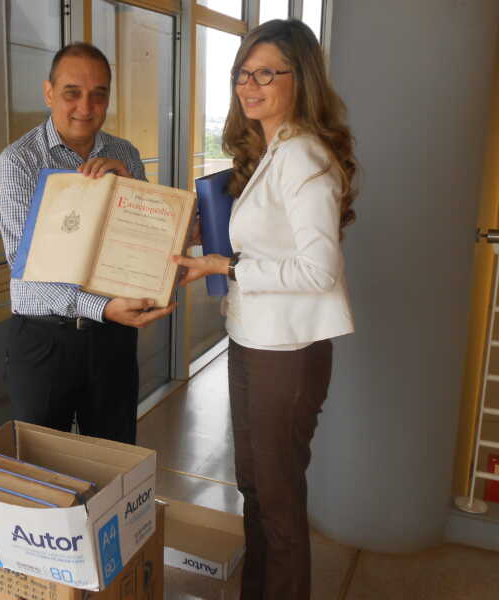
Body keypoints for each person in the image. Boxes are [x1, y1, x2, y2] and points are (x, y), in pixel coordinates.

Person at [172, 19, 356, 600]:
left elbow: (318, 271)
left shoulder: (303, 155)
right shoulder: (272, 151)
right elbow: (270, 242)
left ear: (300, 79)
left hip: (287, 353)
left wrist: (226, 267)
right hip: (252, 339)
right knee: (254, 488)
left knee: (277, 501)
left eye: (265, 74)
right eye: (242, 74)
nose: (248, 86)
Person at [0, 43, 174, 444]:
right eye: (72, 93)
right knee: (42, 463)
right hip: (44, 340)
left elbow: (147, 240)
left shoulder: (124, 154)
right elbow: (29, 269)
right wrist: (102, 307)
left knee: (114, 457)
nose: (86, 107)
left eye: (99, 94)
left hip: (112, 339)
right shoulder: (18, 163)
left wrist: (130, 186)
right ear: (49, 93)